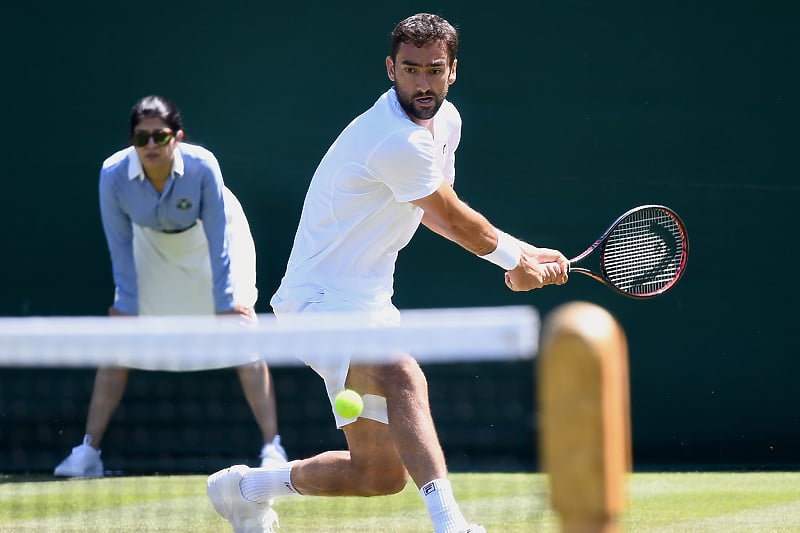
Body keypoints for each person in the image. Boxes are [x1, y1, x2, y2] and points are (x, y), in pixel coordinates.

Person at [207, 13, 569, 533]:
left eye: (434, 70)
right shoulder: (393, 138)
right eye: (410, 69)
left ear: (452, 71)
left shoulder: (447, 124)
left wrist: (524, 255)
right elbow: (449, 215)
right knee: (402, 373)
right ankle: (451, 525)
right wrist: (516, 262)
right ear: (390, 69)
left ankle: (244, 490)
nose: (422, 83)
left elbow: (433, 209)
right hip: (318, 302)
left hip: (372, 306)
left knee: (376, 474)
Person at [54, 95, 287, 478]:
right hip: (151, 246)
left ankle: (272, 448)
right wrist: (126, 307)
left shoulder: (202, 166)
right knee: (118, 344)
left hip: (217, 239)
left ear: (176, 137)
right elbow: (119, 242)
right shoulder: (113, 174)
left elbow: (217, 235)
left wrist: (226, 302)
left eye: (159, 137)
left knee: (246, 337)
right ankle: (88, 452)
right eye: (141, 138)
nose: (149, 146)